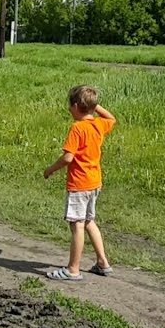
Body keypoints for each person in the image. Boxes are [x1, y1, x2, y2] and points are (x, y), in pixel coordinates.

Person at [42, 85, 116, 281]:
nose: (68, 109)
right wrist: (93, 106)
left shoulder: (77, 128)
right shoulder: (99, 125)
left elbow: (68, 158)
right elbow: (111, 118)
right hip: (94, 182)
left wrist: (50, 170)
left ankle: (73, 269)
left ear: (75, 106)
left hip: (79, 184)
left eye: (70, 106)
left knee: (77, 225)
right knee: (89, 221)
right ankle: (103, 263)